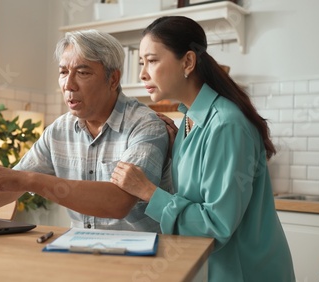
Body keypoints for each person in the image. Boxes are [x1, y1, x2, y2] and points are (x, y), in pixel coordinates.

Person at [110, 16, 295, 281]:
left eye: (152, 61)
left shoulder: (226, 124)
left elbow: (216, 224)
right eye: (142, 63)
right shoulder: (189, 120)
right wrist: (177, 148)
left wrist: (148, 192)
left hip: (245, 271)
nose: (142, 73)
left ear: (187, 62)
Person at [0, 29, 173, 232]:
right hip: (79, 250)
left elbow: (119, 203)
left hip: (141, 258)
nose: (68, 84)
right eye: (63, 72)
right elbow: (7, 189)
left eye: (82, 73)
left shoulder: (146, 126)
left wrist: (29, 179)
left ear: (113, 79)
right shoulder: (59, 130)